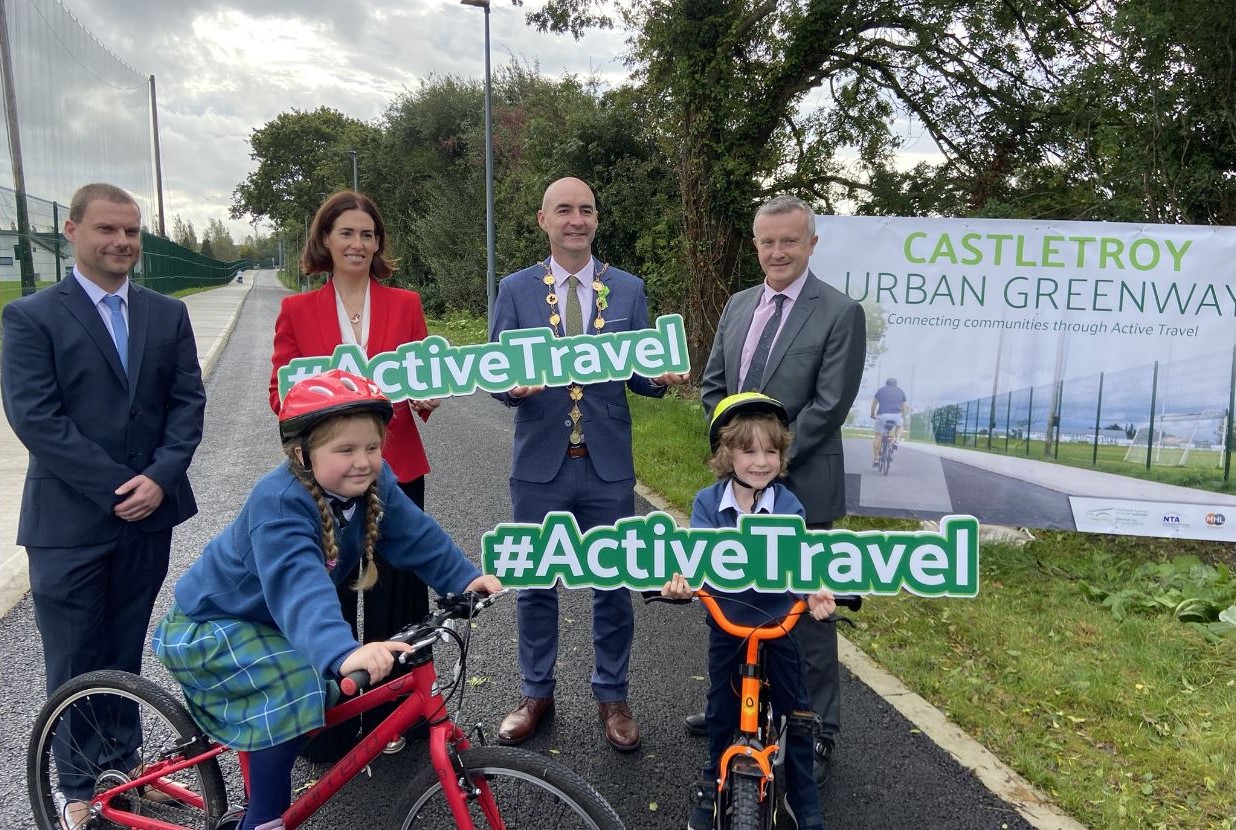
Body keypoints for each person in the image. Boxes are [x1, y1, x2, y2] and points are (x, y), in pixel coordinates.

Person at [153, 369, 501, 830]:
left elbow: (417, 536)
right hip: (213, 625)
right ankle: (262, 819)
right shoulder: (278, 503)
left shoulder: (372, 485)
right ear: (302, 454)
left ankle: (266, 757)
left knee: (317, 688)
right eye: (345, 450)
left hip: (271, 623)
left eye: (372, 448)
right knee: (296, 685)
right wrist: (343, 651)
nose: (363, 461)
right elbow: (299, 588)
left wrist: (464, 579)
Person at [1, 183, 206, 830]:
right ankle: (76, 787)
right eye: (107, 230)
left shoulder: (165, 314)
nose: (122, 242)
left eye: (131, 232)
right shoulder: (33, 318)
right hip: (69, 525)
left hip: (150, 516)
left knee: (124, 651)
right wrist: (121, 487)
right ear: (73, 232)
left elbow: (187, 405)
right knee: (74, 659)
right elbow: (36, 417)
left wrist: (160, 479)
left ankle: (127, 771)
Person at [489, 176, 689, 752]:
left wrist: (661, 376)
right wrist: (512, 389)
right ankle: (535, 693)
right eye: (564, 211)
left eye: (586, 210)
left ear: (596, 220)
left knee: (613, 582)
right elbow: (496, 374)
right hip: (540, 465)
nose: (576, 220)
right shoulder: (515, 290)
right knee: (534, 583)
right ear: (542, 220)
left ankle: (613, 695)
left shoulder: (627, 289)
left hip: (606, 465)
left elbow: (640, 372)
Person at [698, 194, 866, 783]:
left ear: (811, 244)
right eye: (767, 241)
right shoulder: (739, 304)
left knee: (807, 616)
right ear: (756, 244)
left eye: (789, 241)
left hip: (804, 491)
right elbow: (714, 387)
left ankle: (815, 728)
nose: (777, 252)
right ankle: (736, 708)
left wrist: (769, 465)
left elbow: (828, 407)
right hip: (737, 493)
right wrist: (736, 461)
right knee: (734, 600)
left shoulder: (841, 312)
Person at [269, 191, 438, 756]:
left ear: (378, 244)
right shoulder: (297, 312)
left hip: (398, 467)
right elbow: (279, 390)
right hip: (326, 476)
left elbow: (423, 375)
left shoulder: (406, 304)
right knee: (329, 595)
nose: (358, 244)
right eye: (347, 234)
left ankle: (398, 716)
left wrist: (427, 397)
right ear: (325, 241)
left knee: (397, 594)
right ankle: (330, 726)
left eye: (368, 235)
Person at [662, 392, 836, 830]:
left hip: (779, 622)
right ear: (726, 454)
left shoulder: (789, 505)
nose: (761, 462)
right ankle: (711, 786)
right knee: (721, 708)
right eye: (748, 450)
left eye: (771, 451)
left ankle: (806, 798)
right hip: (729, 620)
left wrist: (813, 590)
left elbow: (800, 560)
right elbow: (695, 557)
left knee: (797, 711)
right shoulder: (707, 504)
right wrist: (683, 582)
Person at [870, 377, 909, 466]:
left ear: (886, 383)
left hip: (882, 415)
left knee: (878, 436)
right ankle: (896, 441)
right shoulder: (900, 391)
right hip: (896, 415)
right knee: (900, 426)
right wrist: (903, 417)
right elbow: (904, 407)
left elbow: (874, 404)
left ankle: (876, 459)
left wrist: (872, 414)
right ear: (896, 384)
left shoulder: (880, 391)